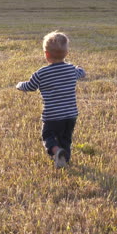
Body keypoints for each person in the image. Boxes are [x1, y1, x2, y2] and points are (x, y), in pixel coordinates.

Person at [16, 31, 86, 168]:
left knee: (48, 136)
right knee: (66, 139)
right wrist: (79, 68)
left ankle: (56, 151)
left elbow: (30, 86)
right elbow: (82, 73)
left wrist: (19, 85)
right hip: (70, 115)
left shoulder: (41, 73)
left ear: (46, 54)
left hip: (52, 116)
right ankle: (64, 159)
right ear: (66, 53)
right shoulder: (71, 70)